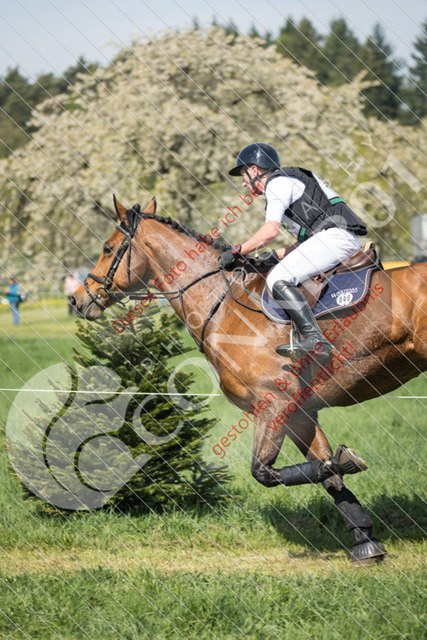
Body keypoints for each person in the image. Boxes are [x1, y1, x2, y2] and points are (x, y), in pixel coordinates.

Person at [222, 142, 368, 363]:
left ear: (254, 169)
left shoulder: (276, 184)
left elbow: (270, 231)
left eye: (243, 175)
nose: (244, 183)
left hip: (334, 239)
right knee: (281, 268)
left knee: (278, 278)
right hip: (334, 238)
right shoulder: (287, 182)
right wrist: (275, 254)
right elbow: (307, 241)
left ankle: (315, 340)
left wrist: (237, 250)